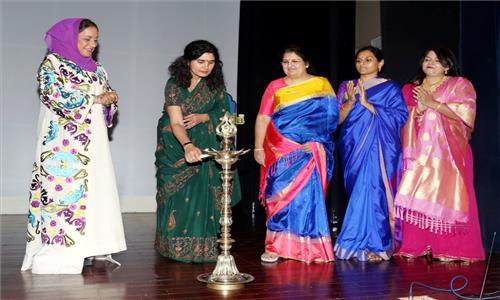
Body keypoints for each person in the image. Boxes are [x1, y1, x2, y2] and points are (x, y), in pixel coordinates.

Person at [21, 18, 127, 274]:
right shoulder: (53, 64)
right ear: (70, 38)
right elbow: (54, 96)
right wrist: (94, 99)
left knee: (94, 190)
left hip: (94, 143)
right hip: (63, 145)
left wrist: (111, 99)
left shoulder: (97, 68)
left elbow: (105, 97)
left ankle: (89, 246)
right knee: (64, 194)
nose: (93, 44)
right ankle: (63, 250)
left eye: (95, 40)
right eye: (87, 39)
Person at [394, 47, 485, 261]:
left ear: (447, 66)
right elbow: (403, 120)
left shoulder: (459, 84)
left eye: (437, 60)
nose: (430, 62)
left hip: (450, 154)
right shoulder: (410, 88)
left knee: (450, 197)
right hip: (420, 154)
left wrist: (433, 104)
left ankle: (453, 248)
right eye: (427, 59)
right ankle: (422, 244)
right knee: (420, 197)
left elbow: (465, 114)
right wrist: (419, 110)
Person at [155, 40, 241, 263]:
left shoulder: (215, 87)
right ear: (188, 61)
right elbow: (176, 122)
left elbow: (225, 116)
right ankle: (174, 247)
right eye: (201, 61)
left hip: (206, 141)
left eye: (211, 62)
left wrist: (204, 117)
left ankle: (204, 248)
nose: (206, 67)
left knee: (203, 192)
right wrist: (187, 145)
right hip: (175, 143)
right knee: (177, 196)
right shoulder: (174, 84)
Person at [254, 44, 339, 263]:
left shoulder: (321, 85)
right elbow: (263, 118)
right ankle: (274, 247)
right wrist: (258, 147)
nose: (289, 66)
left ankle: (310, 248)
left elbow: (330, 119)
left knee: (307, 200)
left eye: (295, 62)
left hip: (309, 152)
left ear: (306, 63)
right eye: (285, 62)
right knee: (277, 197)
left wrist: (317, 142)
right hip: (279, 150)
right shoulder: (274, 86)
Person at [334, 46, 408, 262]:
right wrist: (350, 101)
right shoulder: (346, 86)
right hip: (352, 146)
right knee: (358, 191)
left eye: (368, 59)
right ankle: (358, 241)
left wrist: (368, 104)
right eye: (359, 60)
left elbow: (400, 116)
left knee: (373, 192)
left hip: (379, 148)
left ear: (380, 63)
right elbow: (336, 120)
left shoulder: (390, 87)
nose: (362, 64)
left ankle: (376, 244)